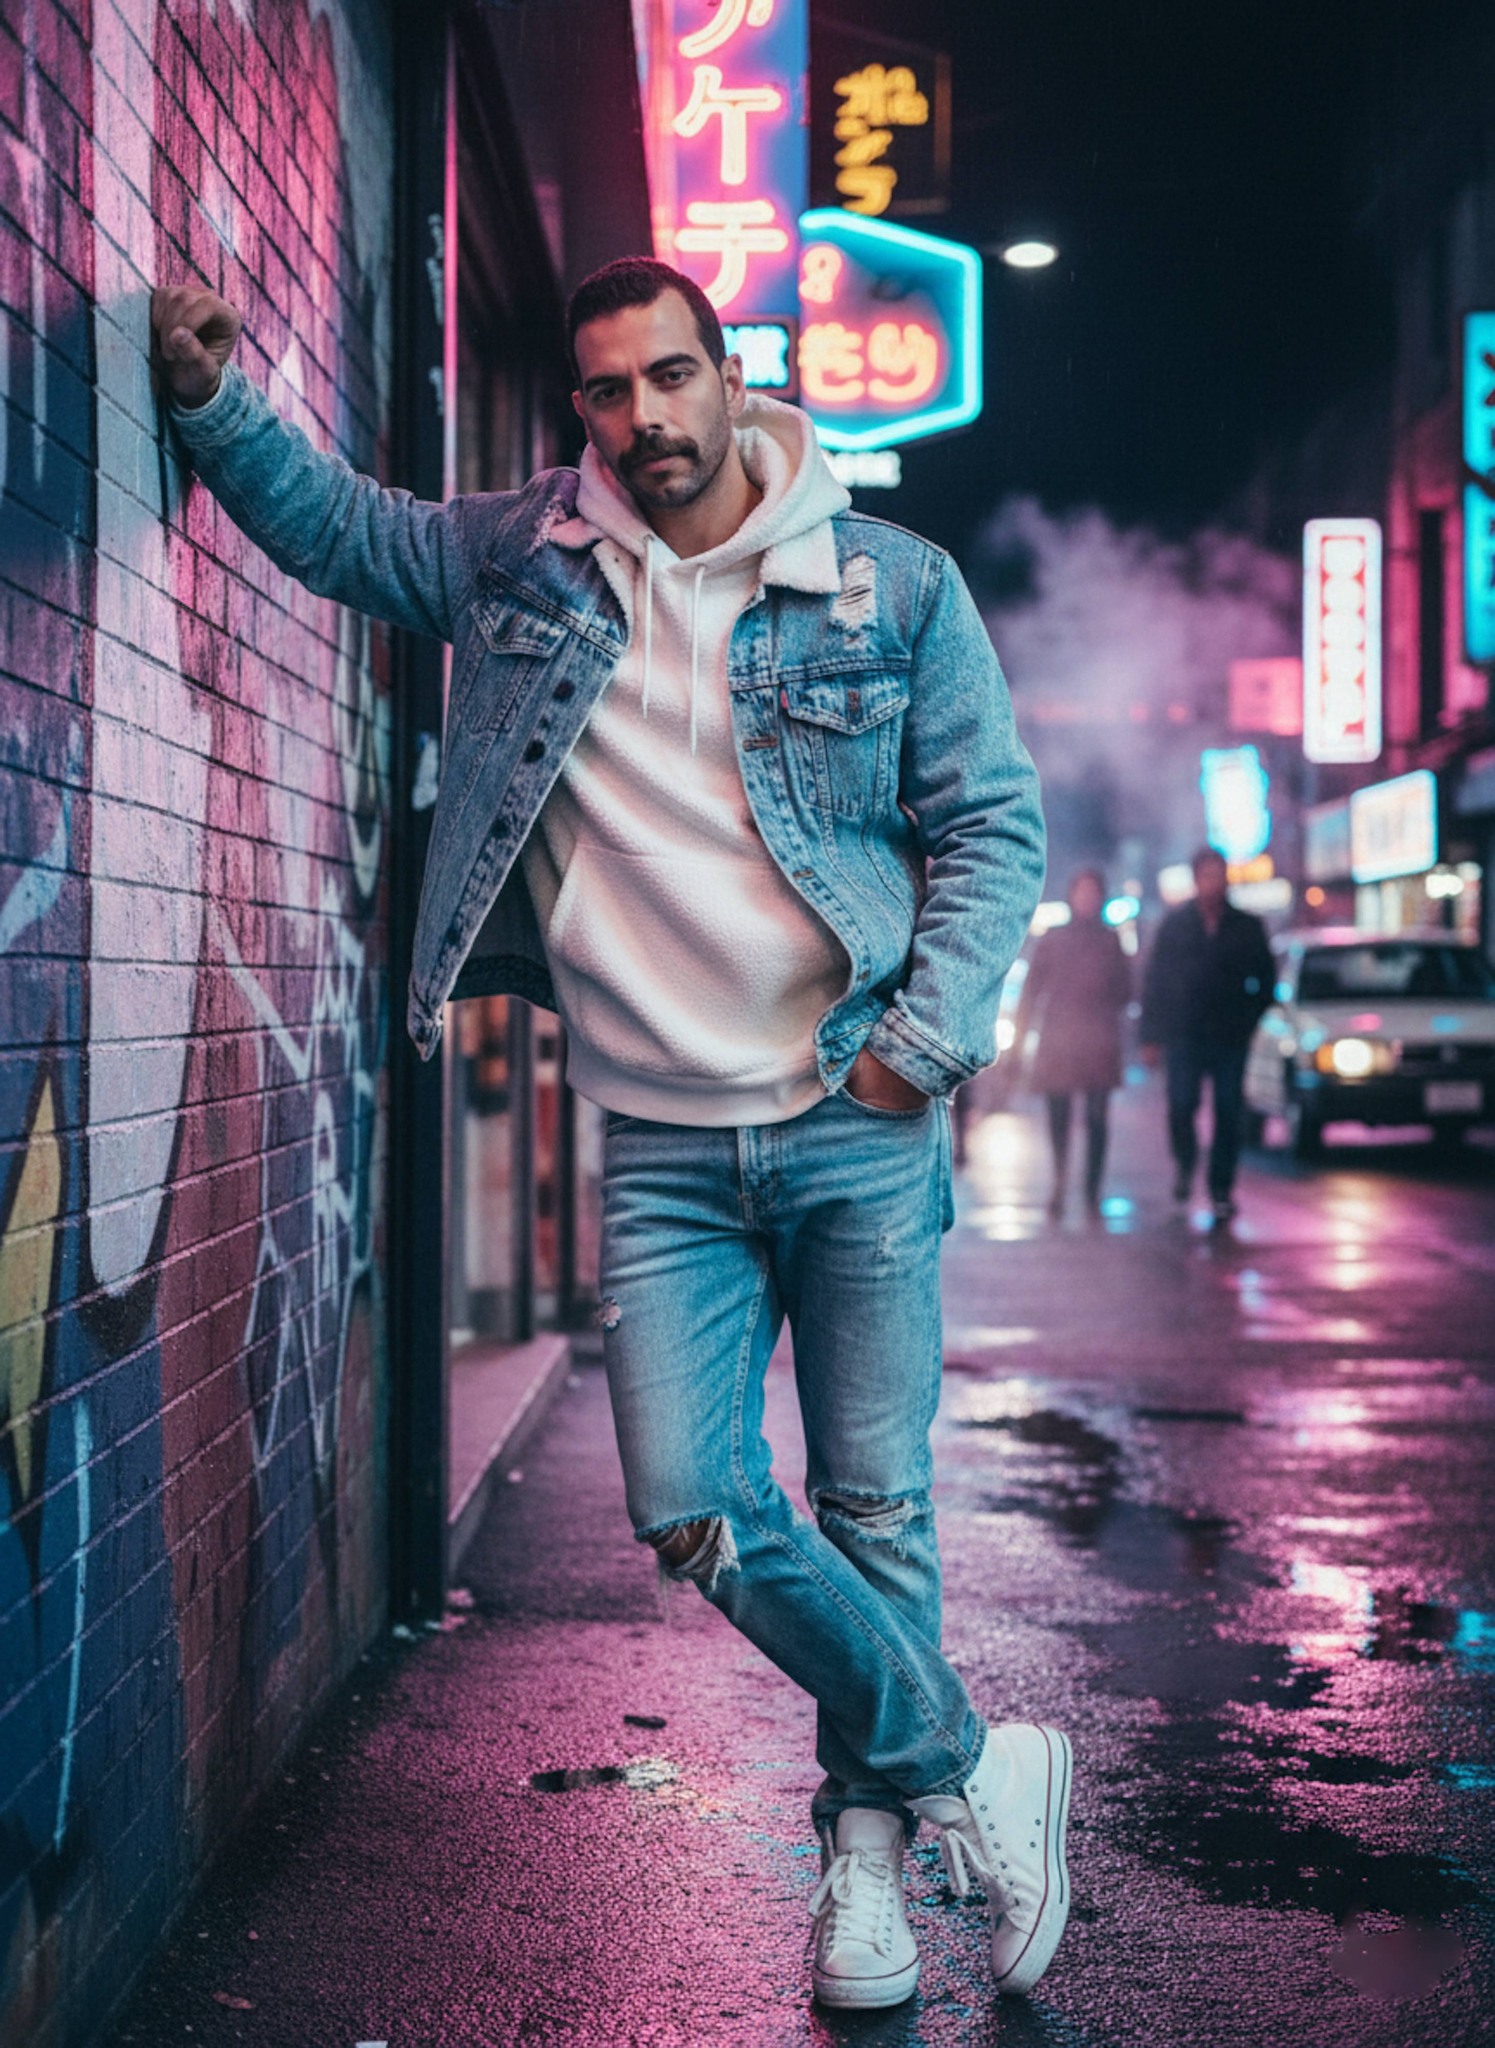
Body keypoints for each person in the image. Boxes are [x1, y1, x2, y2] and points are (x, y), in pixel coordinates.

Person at [150, 259, 1066, 2013]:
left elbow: (992, 833)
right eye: (603, 393)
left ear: (733, 381)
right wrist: (210, 404)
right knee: (697, 1506)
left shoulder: (892, 588)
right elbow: (348, 533)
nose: (640, 421)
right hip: (658, 1146)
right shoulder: (526, 562)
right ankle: (965, 1763)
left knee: (872, 1500)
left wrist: (920, 1050)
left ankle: (864, 1859)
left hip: (855, 1118)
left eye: (668, 379)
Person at [1138, 846, 1274, 1223]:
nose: (1213, 882)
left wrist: (1249, 1018)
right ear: (1196, 878)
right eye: (1207, 875)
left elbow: (1265, 980)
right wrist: (1149, 1036)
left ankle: (1221, 1188)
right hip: (1184, 1034)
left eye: (1219, 874)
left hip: (1230, 1036)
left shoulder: (1247, 925)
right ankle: (1185, 1164)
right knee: (1182, 1105)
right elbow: (1154, 983)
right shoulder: (1175, 923)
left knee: (1229, 1111)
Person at [1014, 869, 1131, 1217]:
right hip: (1059, 1039)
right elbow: (1032, 990)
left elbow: (1125, 990)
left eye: (1092, 892)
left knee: (1097, 1118)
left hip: (1098, 1042)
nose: (1086, 898)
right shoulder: (1053, 938)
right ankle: (1060, 1182)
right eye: (1081, 891)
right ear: (1072, 895)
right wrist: (1021, 1038)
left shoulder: (1110, 941)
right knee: (1059, 1115)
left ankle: (1092, 1189)